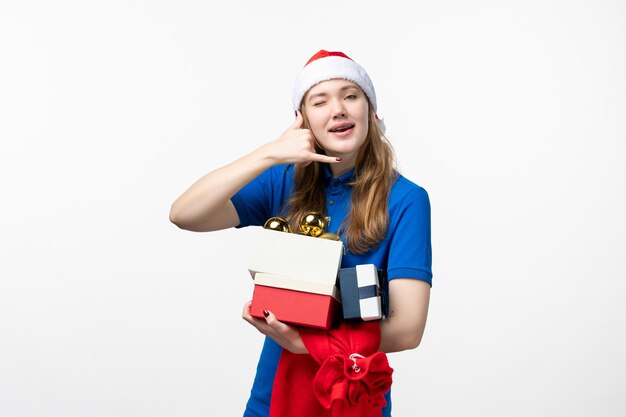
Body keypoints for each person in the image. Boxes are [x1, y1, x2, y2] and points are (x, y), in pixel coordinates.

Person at [170, 50, 432, 417]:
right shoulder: (283, 181)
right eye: (319, 101)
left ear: (371, 112)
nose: (338, 109)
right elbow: (185, 214)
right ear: (303, 120)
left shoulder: (406, 199)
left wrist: (307, 344)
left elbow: (407, 329)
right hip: (274, 396)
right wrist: (268, 154)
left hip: (353, 399)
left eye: (350, 95)